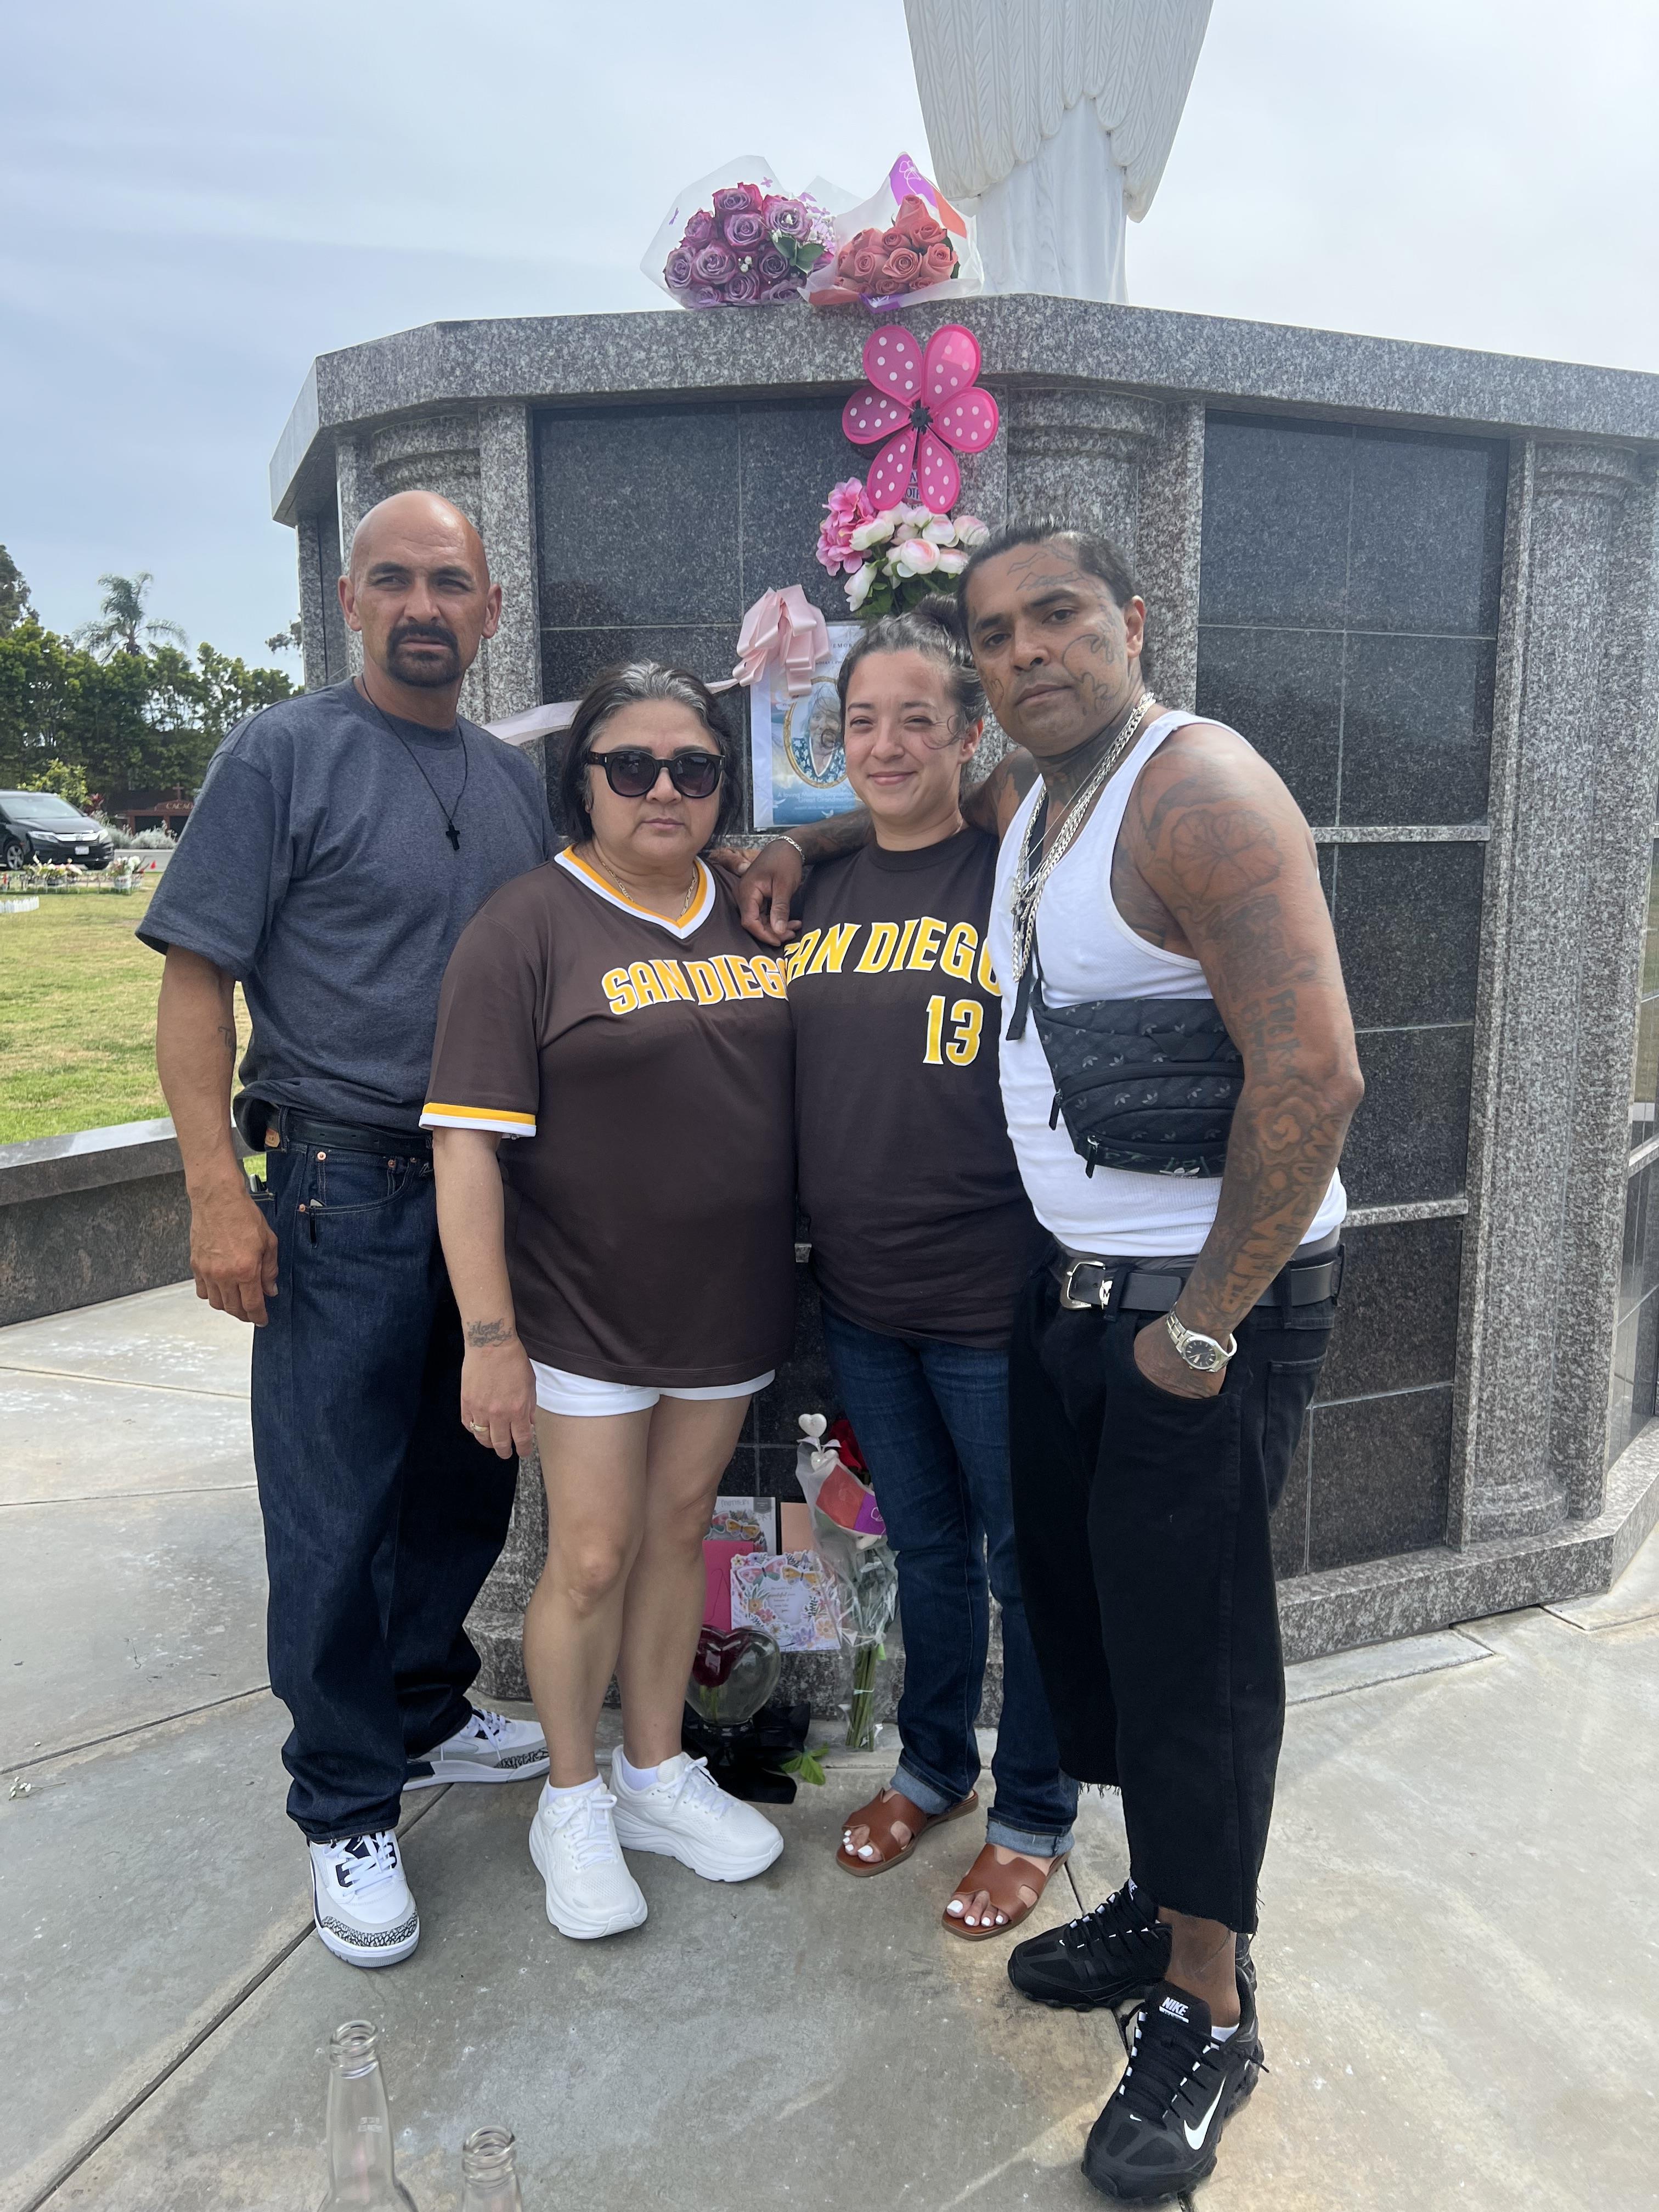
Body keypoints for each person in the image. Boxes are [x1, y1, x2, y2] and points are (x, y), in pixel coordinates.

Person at [736, 522, 1361, 2204]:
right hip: (1085, 1299)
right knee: (1109, 1635)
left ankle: (1209, 2008)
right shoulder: (1043, 812)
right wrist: (774, 835)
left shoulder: (1193, 787)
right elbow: (887, 816)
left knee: (1196, 1663)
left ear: (1135, 622)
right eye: (998, 632)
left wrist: (1203, 1327)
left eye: (1060, 618)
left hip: (1192, 1309)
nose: (1029, 653)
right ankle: (1161, 1916)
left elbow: (1315, 1076)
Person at [145, 490, 552, 1971]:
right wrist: (213, 1192)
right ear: (350, 601)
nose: (424, 605)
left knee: (464, 1479)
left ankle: (425, 1707)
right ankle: (343, 1801)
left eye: (451, 581)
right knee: (334, 1508)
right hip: (334, 1186)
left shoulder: (512, 788)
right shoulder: (283, 753)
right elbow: (197, 982)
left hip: (487, 1194)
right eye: (394, 580)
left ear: (490, 610)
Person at [422, 662, 794, 1943]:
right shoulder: (526, 926)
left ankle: (653, 1772)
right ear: (581, 782)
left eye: (693, 768)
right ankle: (569, 1797)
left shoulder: (757, 911)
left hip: (730, 1304)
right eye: (630, 765)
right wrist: (490, 1338)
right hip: (580, 1306)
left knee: (678, 1533)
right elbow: (464, 1145)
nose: (663, 789)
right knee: (588, 1555)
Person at [784, 600, 1076, 1938]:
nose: (889, 744)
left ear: (970, 733)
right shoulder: (809, 889)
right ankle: (935, 1768)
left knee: (1031, 1562)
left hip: (990, 1299)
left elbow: (1042, 790)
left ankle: (1034, 1813)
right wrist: (797, 836)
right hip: (862, 1301)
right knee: (932, 1556)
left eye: (920, 718)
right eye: (863, 721)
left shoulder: (1018, 870)